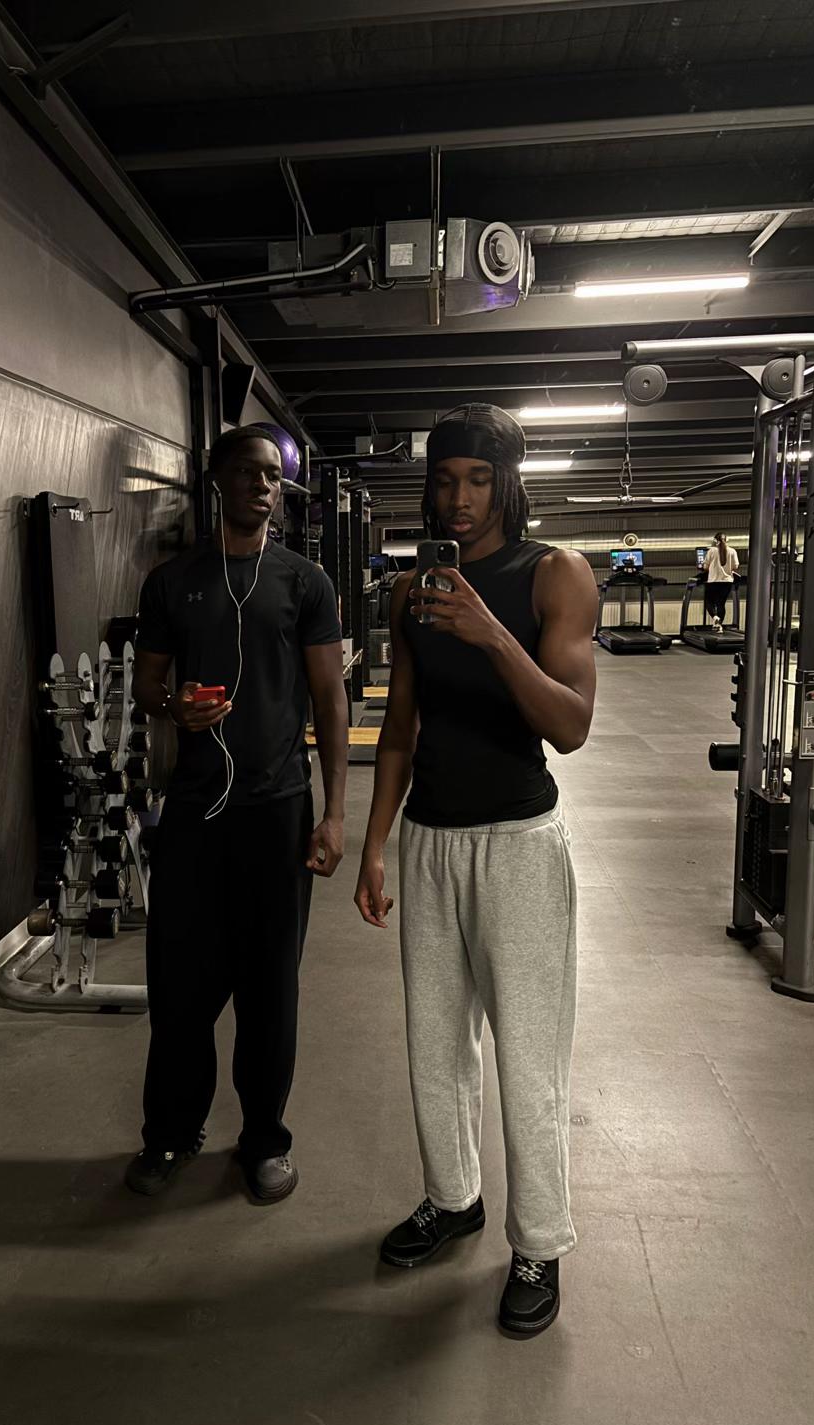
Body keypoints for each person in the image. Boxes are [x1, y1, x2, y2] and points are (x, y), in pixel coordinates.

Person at [353, 403, 598, 1337]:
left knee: (529, 1054)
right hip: (431, 841)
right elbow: (399, 730)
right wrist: (376, 845)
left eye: (479, 480)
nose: (460, 498)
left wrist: (491, 632)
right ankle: (453, 1198)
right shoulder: (411, 591)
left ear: (509, 483)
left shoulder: (554, 574)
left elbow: (570, 725)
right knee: (435, 1042)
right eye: (446, 479)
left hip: (519, 844)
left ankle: (538, 1241)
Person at [127, 426, 348, 1204]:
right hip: (194, 812)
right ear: (217, 479)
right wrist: (174, 706)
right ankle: (170, 1133)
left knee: (270, 990)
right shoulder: (172, 582)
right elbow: (147, 686)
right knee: (180, 988)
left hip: (278, 810)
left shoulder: (305, 582)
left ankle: (264, 1141)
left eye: (275, 477)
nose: (265, 485)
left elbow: (330, 698)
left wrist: (335, 813)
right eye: (250, 472)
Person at [703, 532, 740, 631]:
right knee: (721, 604)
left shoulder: (711, 551)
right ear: (727, 540)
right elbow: (736, 566)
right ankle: (719, 625)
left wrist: (711, 568)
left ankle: (715, 617)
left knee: (709, 602)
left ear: (715, 541)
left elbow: (705, 566)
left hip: (713, 581)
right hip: (727, 582)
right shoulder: (732, 551)